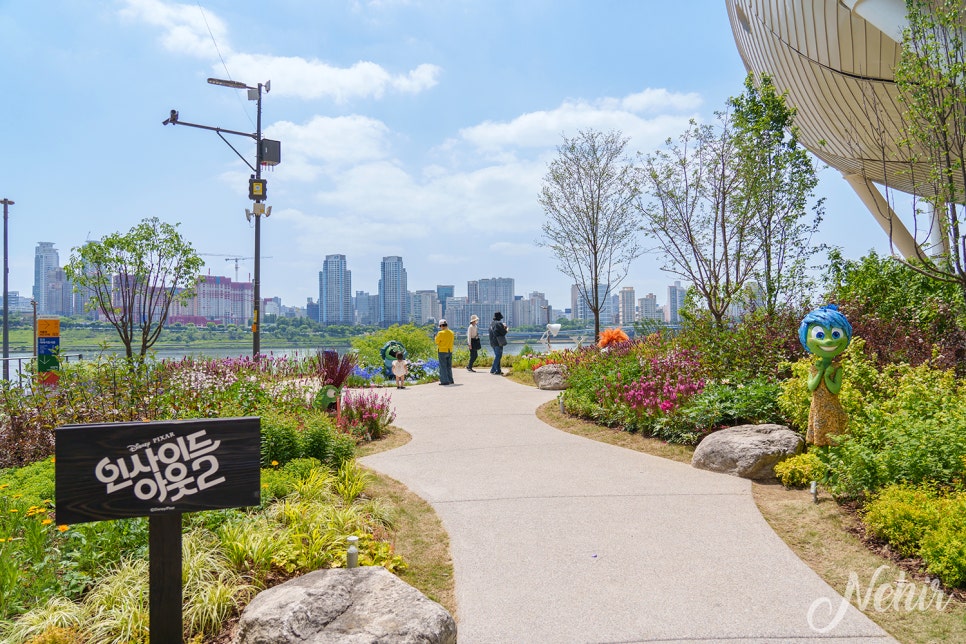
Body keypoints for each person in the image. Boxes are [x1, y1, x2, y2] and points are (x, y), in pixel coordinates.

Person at [435, 319, 455, 385]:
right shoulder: (451, 333)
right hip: (450, 350)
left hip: (442, 351)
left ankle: (444, 381)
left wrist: (435, 337)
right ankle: (450, 380)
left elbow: (437, 342)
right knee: (448, 366)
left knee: (443, 366)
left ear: (441, 326)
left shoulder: (440, 333)